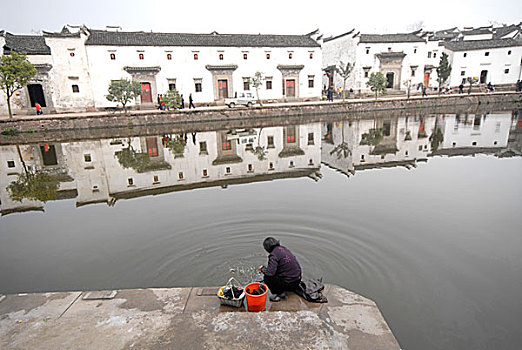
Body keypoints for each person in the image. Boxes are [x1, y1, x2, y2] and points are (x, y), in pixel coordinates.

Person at [258, 237, 302, 302]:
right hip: (297, 280)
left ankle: (280, 294)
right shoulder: (283, 249)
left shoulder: (273, 255)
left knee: (267, 277)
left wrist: (262, 268)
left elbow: (270, 273)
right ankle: (286, 288)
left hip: (290, 284)